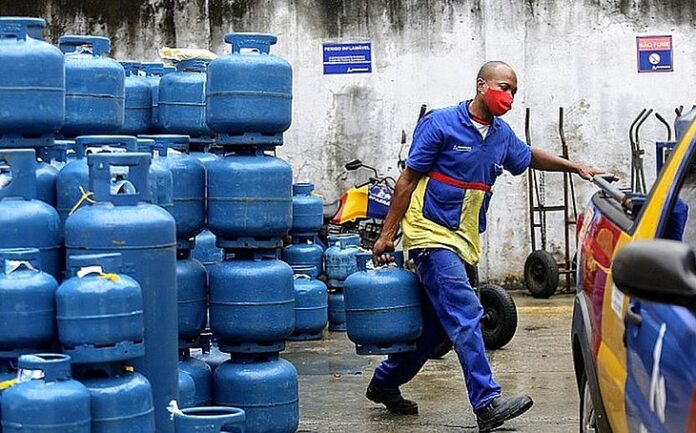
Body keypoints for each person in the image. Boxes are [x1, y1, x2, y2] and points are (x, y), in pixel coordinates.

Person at [366, 61, 602, 432]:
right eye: (503, 87)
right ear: (481, 85)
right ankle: (486, 403)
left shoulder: (501, 135)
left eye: (514, 91)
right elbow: (408, 179)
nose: (508, 96)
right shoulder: (441, 124)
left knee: (435, 330)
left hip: (463, 239)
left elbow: (529, 157)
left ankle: (383, 383)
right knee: (465, 313)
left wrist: (576, 168)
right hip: (430, 234)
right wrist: (387, 234)